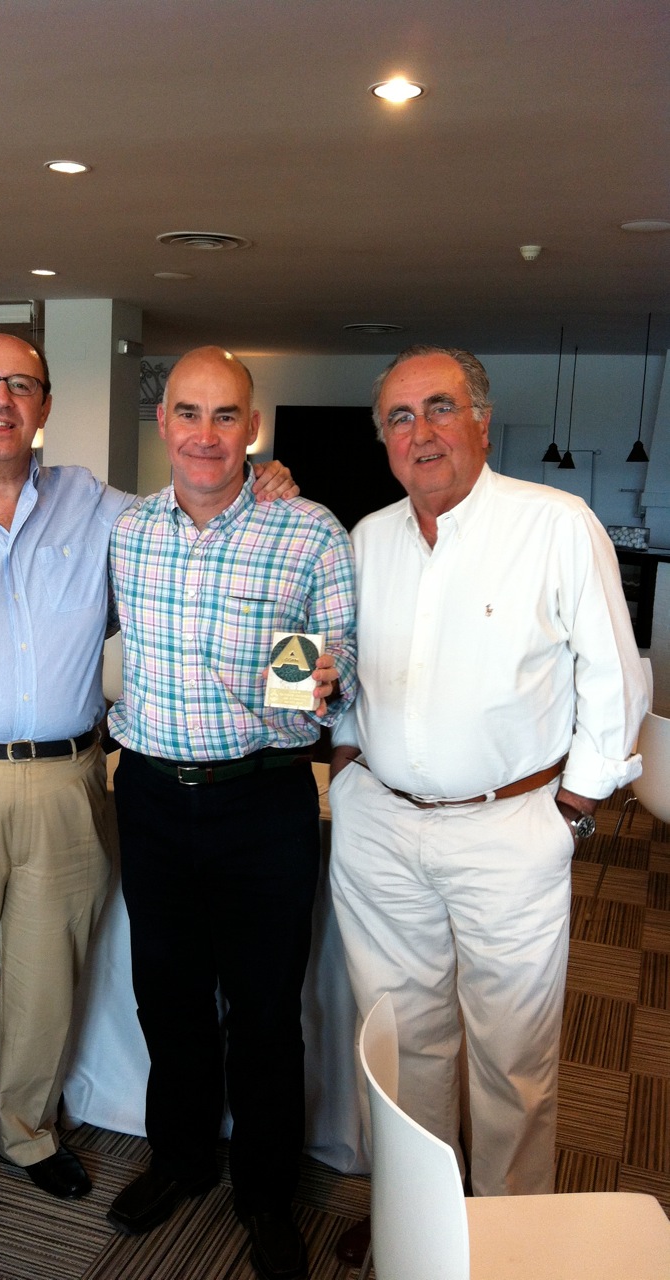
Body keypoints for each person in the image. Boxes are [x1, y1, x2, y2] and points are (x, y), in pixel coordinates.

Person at [0, 332, 297, 1242]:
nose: (2, 400)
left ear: (45, 405)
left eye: (21, 385)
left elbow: (195, 508)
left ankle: (27, 1133)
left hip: (67, 784)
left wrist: (263, 483)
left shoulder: (102, 510)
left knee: (46, 986)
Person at [328, 345, 648, 1266]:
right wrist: (346, 764)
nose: (420, 432)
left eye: (439, 407)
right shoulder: (367, 539)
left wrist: (573, 809)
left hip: (512, 829)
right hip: (381, 827)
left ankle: (506, 1234)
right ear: (384, 438)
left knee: (513, 1054)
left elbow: (615, 677)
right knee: (402, 1042)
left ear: (481, 419)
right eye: (399, 416)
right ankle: (416, 1215)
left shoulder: (555, 524)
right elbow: (343, 670)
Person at [105, 346, 357, 1280]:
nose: (205, 434)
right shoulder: (128, 531)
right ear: (163, 421)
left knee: (265, 1011)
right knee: (166, 996)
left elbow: (340, 660)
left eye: (225, 416)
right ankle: (179, 1159)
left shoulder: (309, 531)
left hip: (264, 798)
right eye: (188, 412)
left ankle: (264, 1191)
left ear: (253, 427)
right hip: (150, 796)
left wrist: (326, 678)